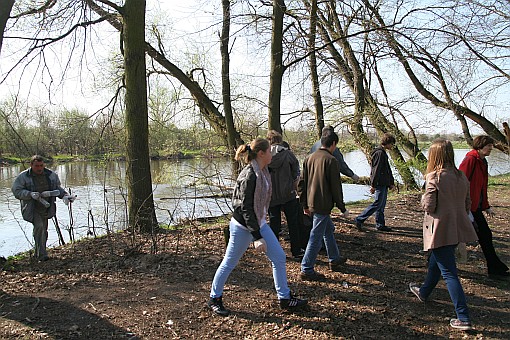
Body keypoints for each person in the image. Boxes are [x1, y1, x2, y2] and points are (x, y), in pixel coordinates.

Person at [207, 138, 307, 316]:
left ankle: (284, 298)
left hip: (258, 222)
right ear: (261, 153)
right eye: (269, 151)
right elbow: (245, 208)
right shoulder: (249, 175)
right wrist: (257, 237)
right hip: (242, 226)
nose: (272, 154)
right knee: (229, 263)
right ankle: (214, 298)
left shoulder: (264, 170)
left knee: (279, 257)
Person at [409, 139, 478, 331]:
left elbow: (429, 206)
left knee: (448, 272)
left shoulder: (434, 177)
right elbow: (467, 204)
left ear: (434, 155)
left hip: (440, 230)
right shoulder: (461, 176)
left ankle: (463, 316)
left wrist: (423, 197)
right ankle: (423, 292)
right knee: (436, 263)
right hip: (456, 229)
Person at [298, 129, 349, 281]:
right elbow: (336, 187)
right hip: (323, 204)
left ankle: (334, 258)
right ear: (333, 144)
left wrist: (304, 204)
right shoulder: (331, 160)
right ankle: (306, 268)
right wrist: (342, 208)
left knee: (328, 230)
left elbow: (301, 183)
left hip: (311, 202)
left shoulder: (308, 158)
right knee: (316, 236)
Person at [459, 135, 509, 279]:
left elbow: (482, 187)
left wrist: (486, 205)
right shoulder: (470, 160)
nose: (491, 148)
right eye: (489, 146)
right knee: (455, 238)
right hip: (466, 207)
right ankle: (433, 263)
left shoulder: (483, 161)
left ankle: (495, 269)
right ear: (480, 146)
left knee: (485, 235)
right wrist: (463, 206)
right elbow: (461, 182)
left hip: (475, 207)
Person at [11, 155, 75, 261]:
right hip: (31, 208)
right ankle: (41, 255)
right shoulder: (23, 176)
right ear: (31, 165)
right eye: (36, 166)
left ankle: (40, 252)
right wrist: (30, 194)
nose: (39, 168)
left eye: (41, 165)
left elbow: (57, 188)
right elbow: (16, 191)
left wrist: (65, 196)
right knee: (39, 226)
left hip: (46, 207)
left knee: (43, 230)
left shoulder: (51, 175)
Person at [266, 130, 308, 260]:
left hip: (272, 197)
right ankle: (296, 251)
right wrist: (294, 184)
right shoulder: (288, 154)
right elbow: (296, 173)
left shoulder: (265, 157)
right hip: (289, 195)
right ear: (280, 139)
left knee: (274, 225)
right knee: (293, 223)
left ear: (269, 141)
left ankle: (273, 252)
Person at [354, 133, 396, 232]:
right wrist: (373, 185)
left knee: (381, 205)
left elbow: (386, 170)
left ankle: (380, 224)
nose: (392, 146)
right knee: (377, 203)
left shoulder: (383, 153)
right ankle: (359, 219)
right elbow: (376, 170)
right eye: (392, 144)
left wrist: (391, 182)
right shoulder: (379, 153)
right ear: (388, 143)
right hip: (379, 183)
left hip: (384, 183)